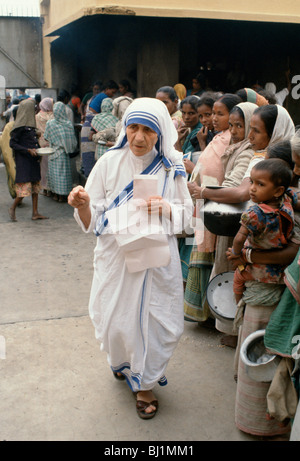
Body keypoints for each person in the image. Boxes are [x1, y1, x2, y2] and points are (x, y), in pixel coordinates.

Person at [68, 97, 193, 419]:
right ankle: (122, 362)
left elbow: (189, 220)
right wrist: (81, 203)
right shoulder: (109, 162)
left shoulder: (171, 167)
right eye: (133, 128)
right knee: (115, 322)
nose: (139, 137)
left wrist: (165, 209)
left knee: (159, 325)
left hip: (155, 264)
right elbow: (93, 214)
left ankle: (146, 383)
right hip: (116, 259)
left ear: (161, 132)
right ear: (124, 128)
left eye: (148, 130)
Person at [183, 99, 254, 324]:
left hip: (223, 207)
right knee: (214, 261)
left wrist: (204, 190)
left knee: (222, 264)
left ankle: (221, 319)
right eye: (230, 124)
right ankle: (212, 315)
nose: (214, 119)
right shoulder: (224, 141)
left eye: (218, 113)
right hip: (214, 204)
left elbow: (235, 187)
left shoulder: (246, 151)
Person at [229, 159, 296, 304]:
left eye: (260, 184)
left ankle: (238, 304)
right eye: (252, 182)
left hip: (256, 268)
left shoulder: (254, 214)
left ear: (278, 190)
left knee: (238, 278)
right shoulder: (287, 200)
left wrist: (235, 254)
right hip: (278, 268)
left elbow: (239, 239)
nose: (252, 188)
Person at [8, 98, 47, 222]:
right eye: (33, 108)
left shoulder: (30, 127)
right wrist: (27, 150)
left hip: (33, 161)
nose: (35, 110)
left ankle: (35, 213)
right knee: (24, 190)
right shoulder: (19, 128)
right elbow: (13, 144)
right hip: (24, 162)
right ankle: (13, 207)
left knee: (35, 188)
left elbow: (31, 141)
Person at [44, 101, 78, 202]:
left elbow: (46, 137)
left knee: (54, 175)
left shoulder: (50, 123)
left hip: (53, 152)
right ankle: (62, 196)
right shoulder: (68, 124)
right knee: (63, 175)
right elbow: (72, 140)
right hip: (63, 153)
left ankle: (55, 195)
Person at [35, 97, 54, 196]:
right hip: (51, 143)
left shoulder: (37, 116)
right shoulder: (52, 116)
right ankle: (50, 188)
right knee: (51, 167)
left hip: (41, 144)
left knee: (43, 167)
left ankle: (44, 188)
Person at [0, 106, 19, 198]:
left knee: (12, 174)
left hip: (10, 154)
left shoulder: (9, 126)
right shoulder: (14, 126)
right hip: (13, 154)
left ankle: (16, 194)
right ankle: (17, 194)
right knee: (14, 174)